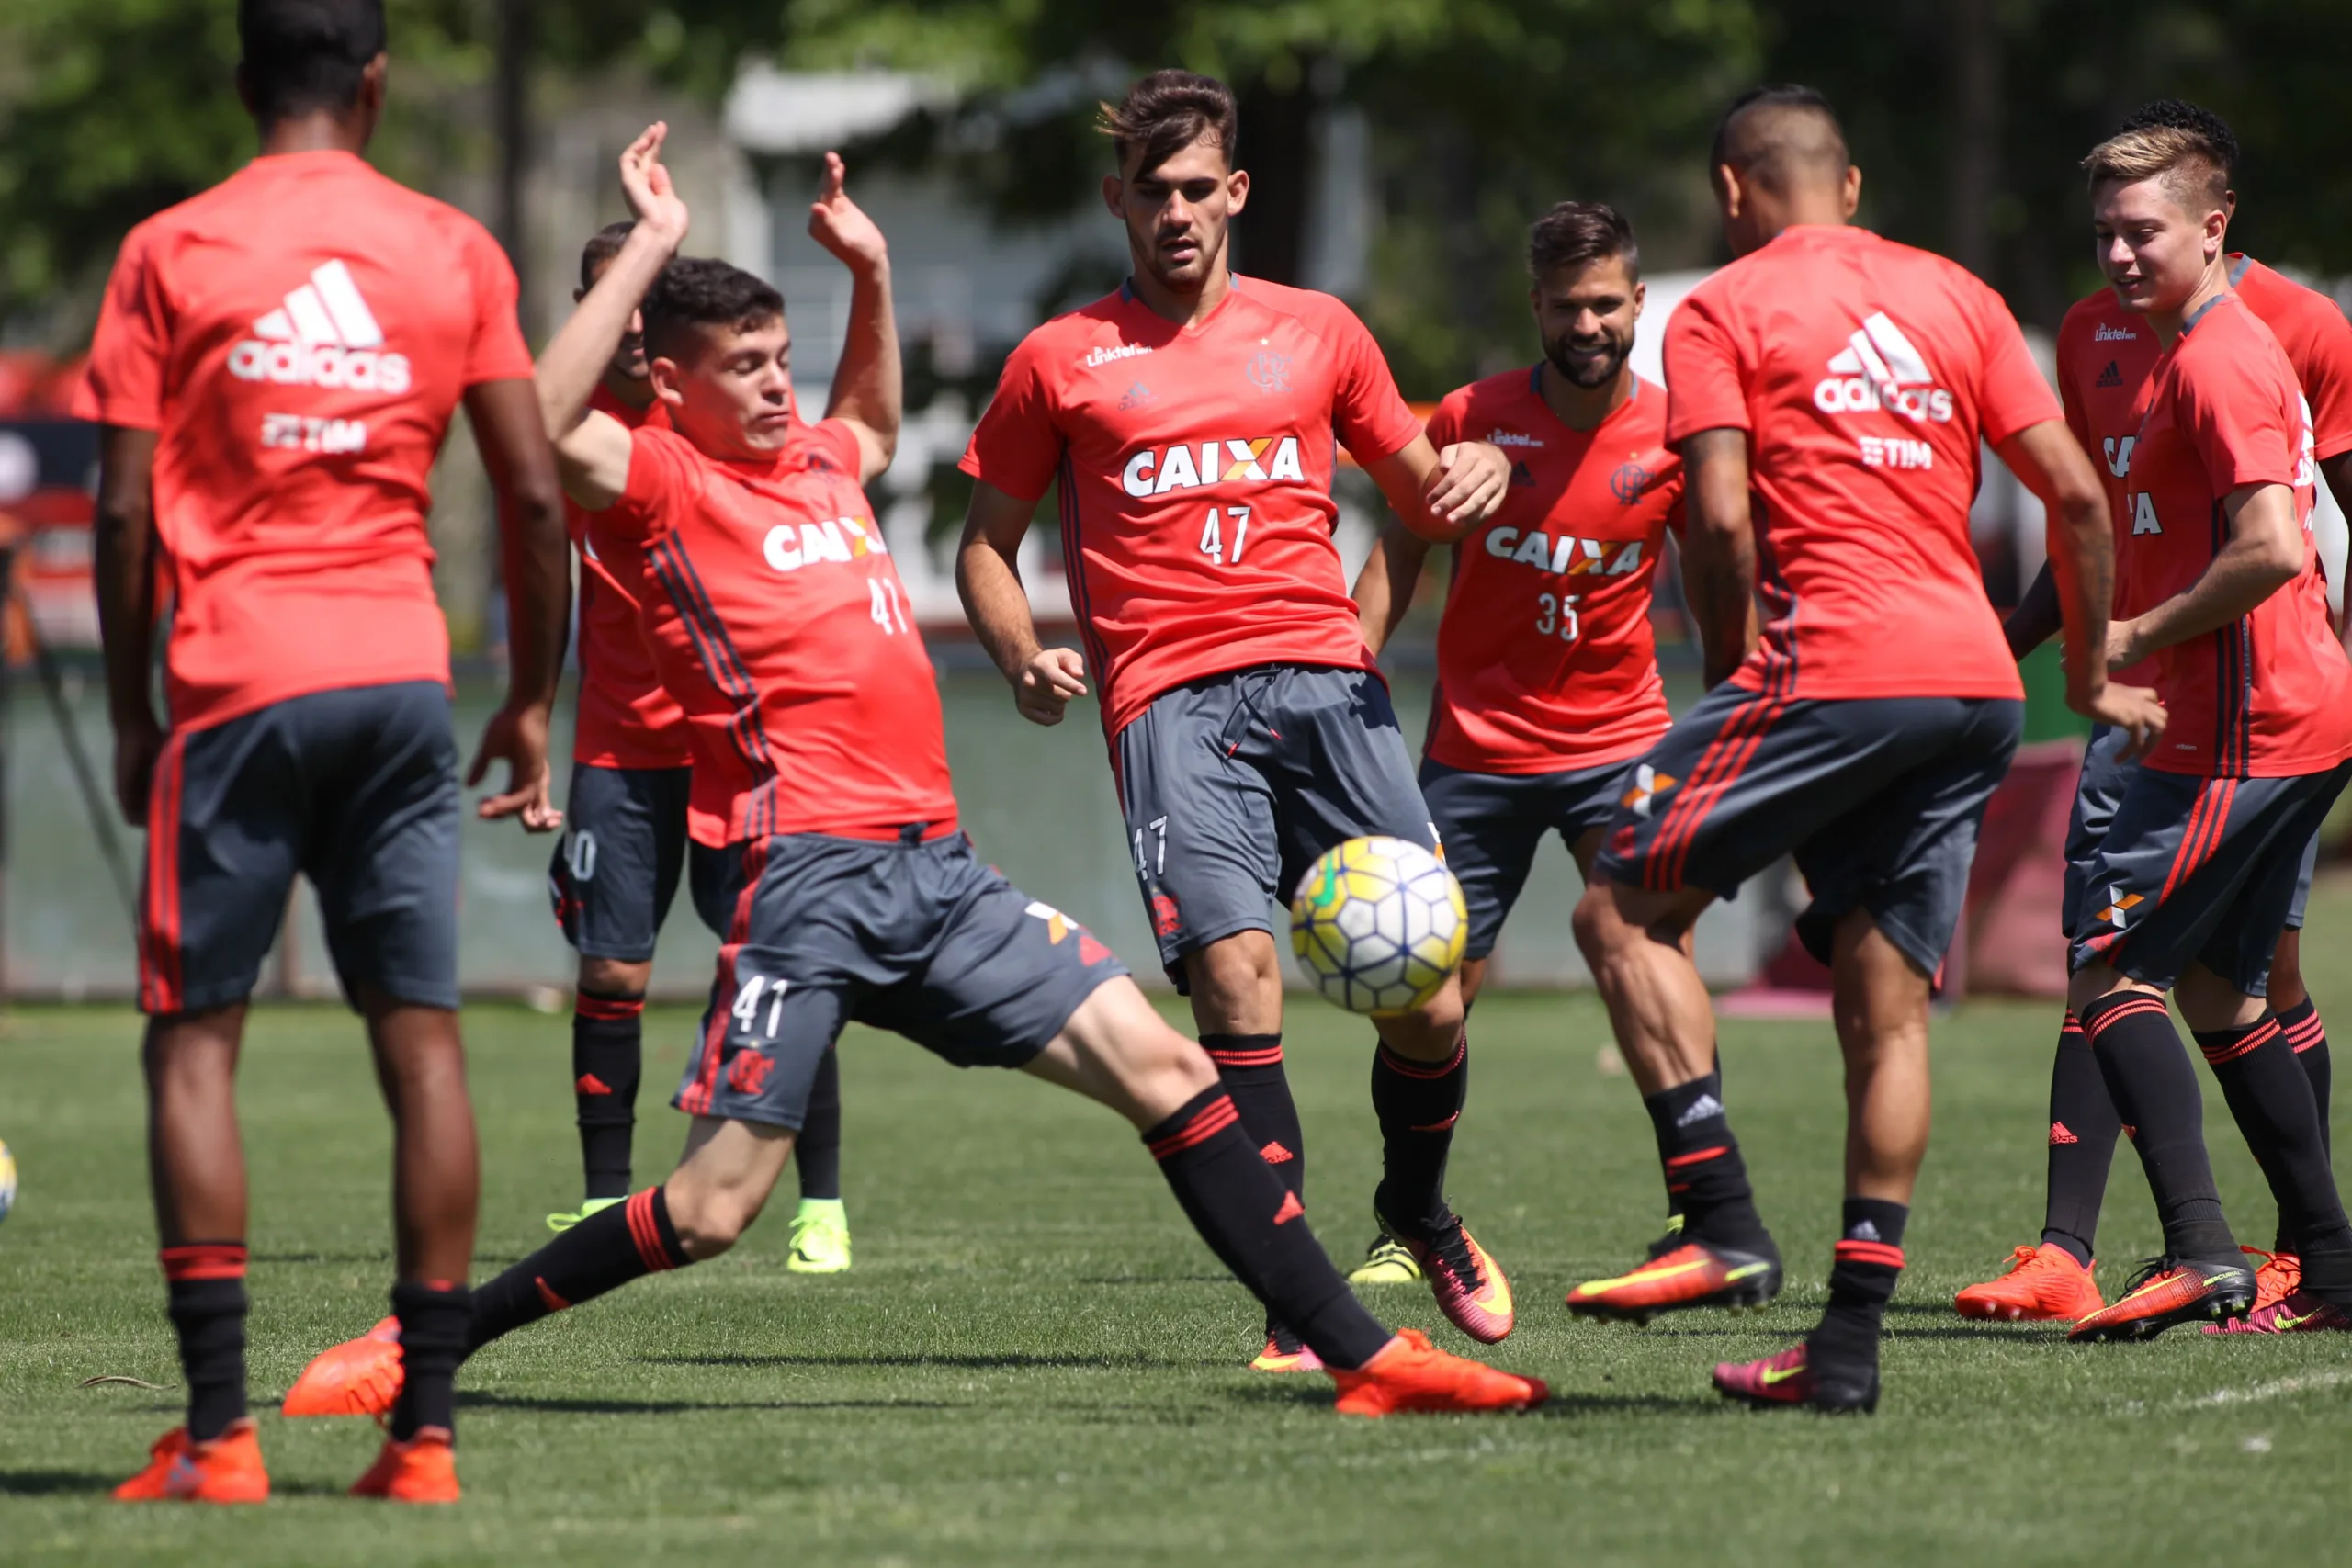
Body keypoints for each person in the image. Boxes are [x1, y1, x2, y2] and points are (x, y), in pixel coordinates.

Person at [282, 125, 1547, 1439]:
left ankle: (1362, 1354)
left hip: (938, 871)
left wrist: (872, 274)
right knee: (715, 1209)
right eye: (747, 369)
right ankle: (429, 1337)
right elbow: (532, 420)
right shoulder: (657, 482)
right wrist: (652, 244)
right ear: (666, 383)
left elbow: (874, 419)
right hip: (809, 881)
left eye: (784, 358)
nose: (781, 388)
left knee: (1167, 1063)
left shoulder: (825, 463)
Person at [1559, 85, 2159, 1410]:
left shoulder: (1719, 306)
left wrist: (1732, 684)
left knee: (1616, 902)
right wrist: (2095, 667)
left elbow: (1716, 522)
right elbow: (2075, 491)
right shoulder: (1960, 295)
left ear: (1731, 192)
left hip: (1830, 666)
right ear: (1855, 181)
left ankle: (1716, 1215)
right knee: (1883, 1009)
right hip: (1974, 686)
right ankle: (1843, 1350)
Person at [955, 69, 1517, 1372]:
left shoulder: (1320, 330)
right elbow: (987, 542)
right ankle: (1296, 1307)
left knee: (1428, 1001)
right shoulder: (1059, 358)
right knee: (1235, 974)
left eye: (1199, 188)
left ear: (1238, 193)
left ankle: (1416, 1207)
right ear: (1118, 202)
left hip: (1327, 690)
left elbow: (1419, 497)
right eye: (1151, 192)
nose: (1177, 213)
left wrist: (1474, 471)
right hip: (1170, 701)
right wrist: (1020, 645)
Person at [84, 0, 571, 1504]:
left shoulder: (171, 249)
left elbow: (114, 512)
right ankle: (421, 1440)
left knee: (195, 1041)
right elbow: (538, 499)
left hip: (234, 686)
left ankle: (220, 1436)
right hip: (397, 681)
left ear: (245, 86)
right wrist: (532, 696)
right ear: (372, 84)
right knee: (420, 1042)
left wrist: (129, 709)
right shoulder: (451, 249)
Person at [1956, 98, 2352, 1325]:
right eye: (2104, 234)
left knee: (2112, 965)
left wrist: (2135, 632)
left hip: (2236, 719)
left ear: (2213, 225)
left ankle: (2206, 1250)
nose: (2119, 256)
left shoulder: (2240, 347)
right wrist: (2004, 641)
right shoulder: (2119, 337)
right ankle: (2326, 1267)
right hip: (2213, 714)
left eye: (2142, 232)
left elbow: (2280, 542)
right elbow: (2097, 530)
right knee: (2226, 996)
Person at [1350, 201, 1686, 1258]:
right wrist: (1341, 671)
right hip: (1476, 753)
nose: (1585, 325)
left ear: (1636, 301)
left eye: (1604, 304)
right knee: (1425, 998)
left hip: (1624, 743)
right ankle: (1409, 1218)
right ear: (1534, 308)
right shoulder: (1468, 418)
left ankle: (1699, 1212)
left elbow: (1733, 573)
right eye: (1563, 307)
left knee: (1652, 957)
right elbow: (1399, 558)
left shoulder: (1681, 432)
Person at [543, 220, 853, 1274]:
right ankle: (597, 1198)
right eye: (603, 294)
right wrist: (531, 727)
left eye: (641, 294)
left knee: (782, 964)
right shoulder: (583, 436)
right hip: (619, 750)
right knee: (613, 972)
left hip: (740, 750)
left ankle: (824, 1205)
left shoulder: (735, 422)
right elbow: (550, 586)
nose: (625, 317)